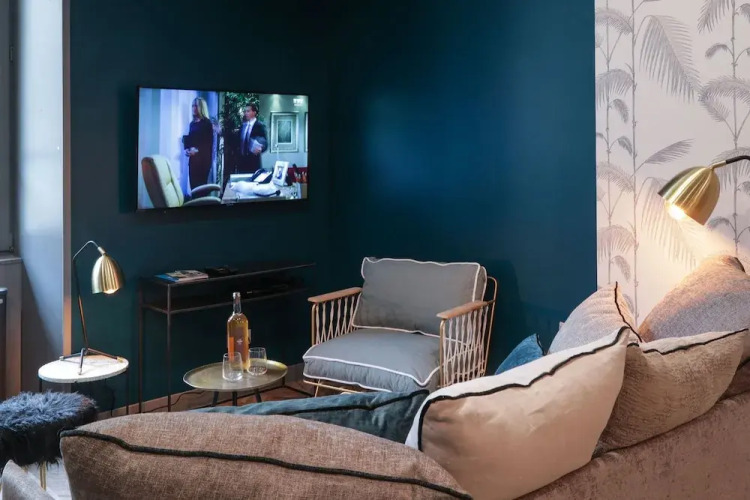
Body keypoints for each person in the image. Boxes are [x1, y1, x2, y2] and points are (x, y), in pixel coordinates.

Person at [183, 97, 214, 193]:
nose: (193, 108)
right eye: (192, 106)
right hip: (193, 161)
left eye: (196, 106)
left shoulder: (207, 123)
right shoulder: (192, 124)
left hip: (203, 161)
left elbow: (208, 144)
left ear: (201, 107)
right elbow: (191, 140)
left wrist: (196, 150)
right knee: (193, 189)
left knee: (201, 189)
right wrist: (187, 149)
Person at [237, 103, 268, 175]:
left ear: (254, 112)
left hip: (253, 163)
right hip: (242, 163)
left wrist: (261, 148)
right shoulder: (243, 126)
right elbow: (238, 141)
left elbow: (265, 143)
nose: (246, 113)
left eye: (248, 111)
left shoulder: (259, 126)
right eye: (245, 111)